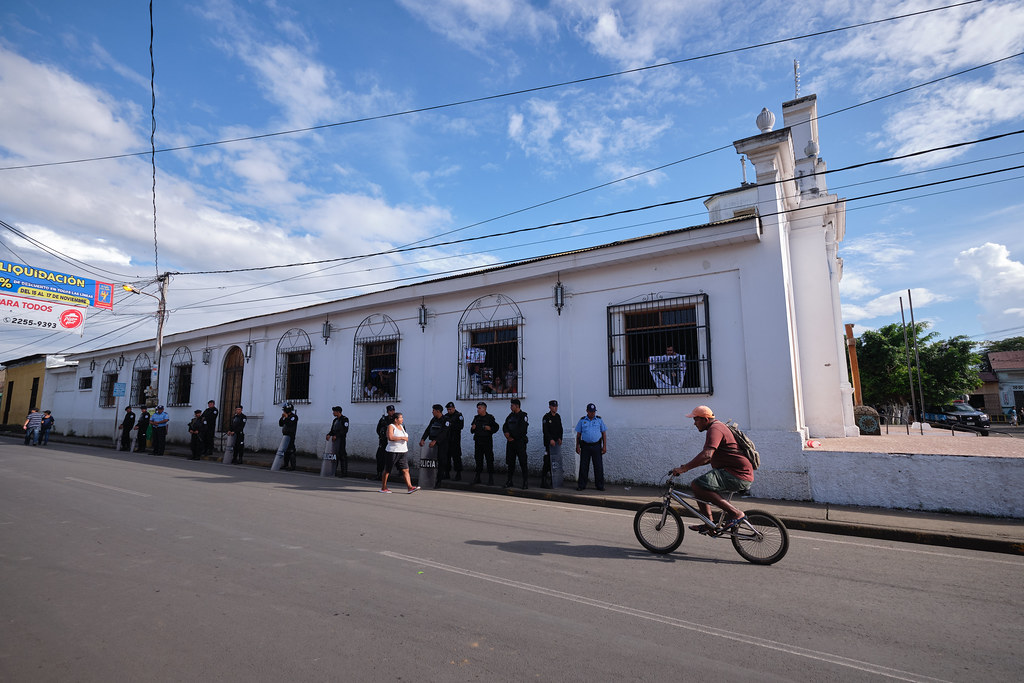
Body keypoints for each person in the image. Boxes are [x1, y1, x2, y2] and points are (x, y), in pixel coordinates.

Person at [670, 405, 753, 533]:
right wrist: (685, 466)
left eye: (696, 419)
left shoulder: (715, 429)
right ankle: (709, 524)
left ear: (706, 419)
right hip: (733, 472)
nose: (694, 423)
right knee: (699, 488)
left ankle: (736, 513)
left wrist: (684, 469)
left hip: (737, 474)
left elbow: (707, 455)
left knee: (698, 484)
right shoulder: (716, 427)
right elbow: (708, 459)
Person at [381, 412, 420, 493]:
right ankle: (383, 487)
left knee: (405, 469)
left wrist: (404, 438)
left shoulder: (401, 427)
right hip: (392, 451)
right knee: (388, 470)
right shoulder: (391, 426)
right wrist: (402, 437)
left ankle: (410, 487)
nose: (402, 419)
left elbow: (406, 437)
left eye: (402, 418)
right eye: (400, 418)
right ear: (396, 419)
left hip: (403, 451)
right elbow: (390, 437)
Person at [574, 403, 607, 491]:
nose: (592, 413)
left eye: (594, 411)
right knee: (584, 466)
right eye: (590, 411)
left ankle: (600, 485)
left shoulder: (599, 420)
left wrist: (604, 446)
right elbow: (578, 434)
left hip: (596, 446)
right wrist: (577, 446)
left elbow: (603, 433)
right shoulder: (582, 420)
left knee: (598, 466)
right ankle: (581, 485)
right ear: (587, 411)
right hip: (585, 446)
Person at [419, 404, 450, 488]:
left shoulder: (446, 420)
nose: (432, 412)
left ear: (438, 411)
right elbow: (428, 430)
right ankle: (429, 478)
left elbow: (444, 433)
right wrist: (423, 439)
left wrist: (435, 441)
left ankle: (439, 481)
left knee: (441, 462)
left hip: (442, 444)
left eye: (433, 410)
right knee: (431, 462)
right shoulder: (433, 419)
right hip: (433, 444)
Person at [502, 398, 529, 489]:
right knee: (510, 462)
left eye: (512, 405)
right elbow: (505, 426)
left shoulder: (523, 416)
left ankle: (525, 482)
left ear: (517, 406)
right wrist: (506, 434)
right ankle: (509, 481)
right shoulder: (510, 416)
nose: (510, 407)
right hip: (510, 443)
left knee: (523, 462)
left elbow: (522, 430)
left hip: (519, 443)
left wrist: (511, 436)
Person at [469, 401, 498, 485]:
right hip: (478, 442)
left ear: (484, 408)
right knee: (478, 460)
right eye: (477, 408)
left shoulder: (490, 418)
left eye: (479, 408)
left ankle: (491, 478)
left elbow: (496, 427)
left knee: (489, 459)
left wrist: (490, 429)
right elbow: (471, 431)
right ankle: (477, 477)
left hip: (487, 442)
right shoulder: (476, 418)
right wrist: (473, 428)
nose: (478, 410)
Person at [541, 400, 563, 488]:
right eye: (553, 406)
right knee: (547, 462)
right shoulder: (546, 417)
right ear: (550, 407)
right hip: (549, 444)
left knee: (555, 462)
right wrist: (550, 439)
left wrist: (560, 438)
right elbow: (545, 431)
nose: (555, 408)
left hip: (556, 444)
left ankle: (554, 481)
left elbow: (560, 429)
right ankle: (543, 481)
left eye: (556, 406)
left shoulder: (557, 417)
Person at [274, 403, 298, 471]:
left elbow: (290, 424)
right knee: (285, 450)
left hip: (291, 435)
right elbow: (280, 424)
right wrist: (282, 417)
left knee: (291, 450)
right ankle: (286, 464)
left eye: (284, 409)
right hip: (285, 435)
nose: (283, 411)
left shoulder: (294, 417)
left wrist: (286, 417)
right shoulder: (285, 416)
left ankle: (293, 466)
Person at [328, 406, 350, 477]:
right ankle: (333, 471)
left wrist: (337, 436)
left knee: (342, 455)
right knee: (334, 456)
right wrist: (329, 434)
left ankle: (344, 473)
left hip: (341, 440)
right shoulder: (335, 420)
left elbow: (345, 430)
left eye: (334, 411)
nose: (333, 413)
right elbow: (332, 430)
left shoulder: (345, 419)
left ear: (338, 412)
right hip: (334, 441)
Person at [375, 405, 396, 479]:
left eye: (393, 410)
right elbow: (378, 429)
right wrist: (382, 436)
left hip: (393, 442)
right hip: (383, 441)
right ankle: (379, 473)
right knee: (380, 456)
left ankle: (400, 472)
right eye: (390, 411)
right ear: (387, 412)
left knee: (395, 458)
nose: (392, 412)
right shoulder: (383, 419)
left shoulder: (396, 419)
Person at [445, 401, 465, 481]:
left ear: (454, 408)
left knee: (456, 457)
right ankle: (447, 473)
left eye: (450, 409)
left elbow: (460, 426)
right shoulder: (446, 416)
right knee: (447, 457)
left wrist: (451, 425)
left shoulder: (458, 415)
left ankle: (458, 473)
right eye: (448, 409)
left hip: (455, 439)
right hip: (447, 439)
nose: (449, 411)